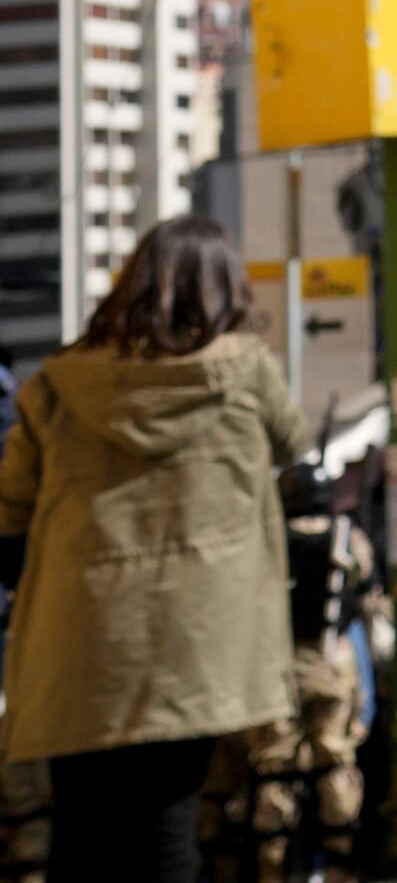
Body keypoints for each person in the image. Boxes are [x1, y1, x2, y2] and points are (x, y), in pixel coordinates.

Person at [0, 216, 298, 883]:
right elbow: (294, 441)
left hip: (76, 643)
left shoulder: (56, 386)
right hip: (197, 648)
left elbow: (7, 512)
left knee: (82, 834)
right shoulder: (248, 374)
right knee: (169, 827)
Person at [205, 460, 374, 881]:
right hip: (333, 666)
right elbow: (368, 591)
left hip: (275, 670)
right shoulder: (348, 538)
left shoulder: (265, 540)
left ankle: (272, 867)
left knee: (275, 770)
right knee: (334, 764)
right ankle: (338, 867)